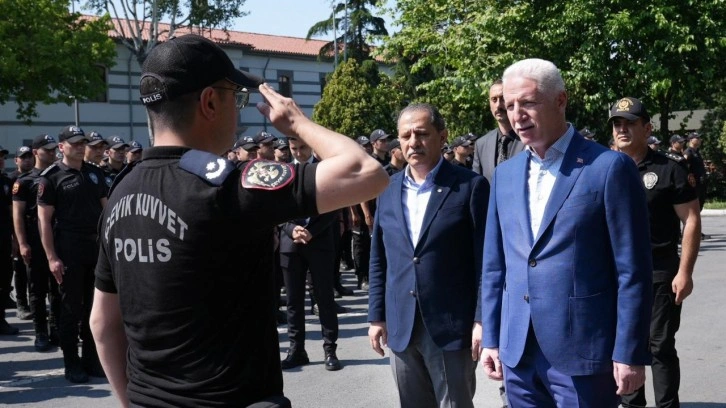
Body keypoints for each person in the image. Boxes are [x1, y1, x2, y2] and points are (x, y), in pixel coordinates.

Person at [89, 34, 388, 408]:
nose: (239, 111)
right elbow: (366, 172)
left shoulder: (121, 191)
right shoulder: (229, 184)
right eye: (236, 97)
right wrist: (297, 123)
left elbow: (103, 325)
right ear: (210, 102)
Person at [480, 59, 653, 407]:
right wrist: (491, 337)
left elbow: (632, 270)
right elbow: (494, 266)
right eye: (510, 105)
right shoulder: (505, 175)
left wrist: (629, 351)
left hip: (584, 352)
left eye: (528, 102)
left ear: (561, 100)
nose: (517, 115)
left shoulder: (608, 168)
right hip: (518, 352)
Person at [368, 103, 489, 408]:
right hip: (401, 324)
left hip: (450, 325)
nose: (413, 142)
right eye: (405, 136)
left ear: (442, 136)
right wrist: (376, 316)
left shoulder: (470, 186)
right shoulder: (386, 189)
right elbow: (379, 258)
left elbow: (485, 261)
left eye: (421, 133)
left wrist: (481, 319)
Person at [610, 96, 701, 408]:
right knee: (623, 345)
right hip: (615, 276)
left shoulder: (669, 169)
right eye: (617, 124)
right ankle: (631, 404)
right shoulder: (602, 168)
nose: (622, 129)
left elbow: (691, 220)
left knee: (659, 345)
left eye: (629, 123)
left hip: (659, 272)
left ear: (647, 128)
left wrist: (685, 272)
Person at [38, 125, 109, 383]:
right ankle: (72, 363)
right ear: (61, 147)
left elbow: (106, 212)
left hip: (95, 249)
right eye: (74, 143)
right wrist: (51, 257)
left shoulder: (95, 173)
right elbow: (44, 221)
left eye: (82, 143)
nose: (80, 147)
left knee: (94, 308)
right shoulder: (51, 177)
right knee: (71, 309)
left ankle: (91, 360)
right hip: (69, 250)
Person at [12, 134, 62, 350]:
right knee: (37, 289)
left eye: (53, 149)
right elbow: (18, 215)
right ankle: (40, 332)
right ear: (35, 152)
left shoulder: (58, 175)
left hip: (57, 237)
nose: (51, 153)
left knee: (58, 289)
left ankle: (55, 329)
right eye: (46, 150)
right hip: (35, 238)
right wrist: (22, 243)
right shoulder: (24, 181)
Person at [472, 80, 525, 182]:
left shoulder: (530, 139)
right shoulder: (481, 144)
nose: (498, 105)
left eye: (503, 99)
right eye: (494, 100)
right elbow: (477, 185)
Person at [10, 146, 34, 321]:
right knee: (20, 270)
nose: (27, 160)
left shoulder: (37, 177)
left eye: (29, 157)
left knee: (34, 271)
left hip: (34, 230)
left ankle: (34, 304)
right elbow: (12, 212)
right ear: (16, 160)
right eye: (23, 157)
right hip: (17, 231)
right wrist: (15, 237)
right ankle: (21, 303)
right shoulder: (12, 179)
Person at [0, 145, 18, 335]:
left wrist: (15, 239)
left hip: (4, 238)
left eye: (2, 157)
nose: (1, 160)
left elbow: (12, 212)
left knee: (4, 279)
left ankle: (1, 319)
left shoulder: (6, 181)